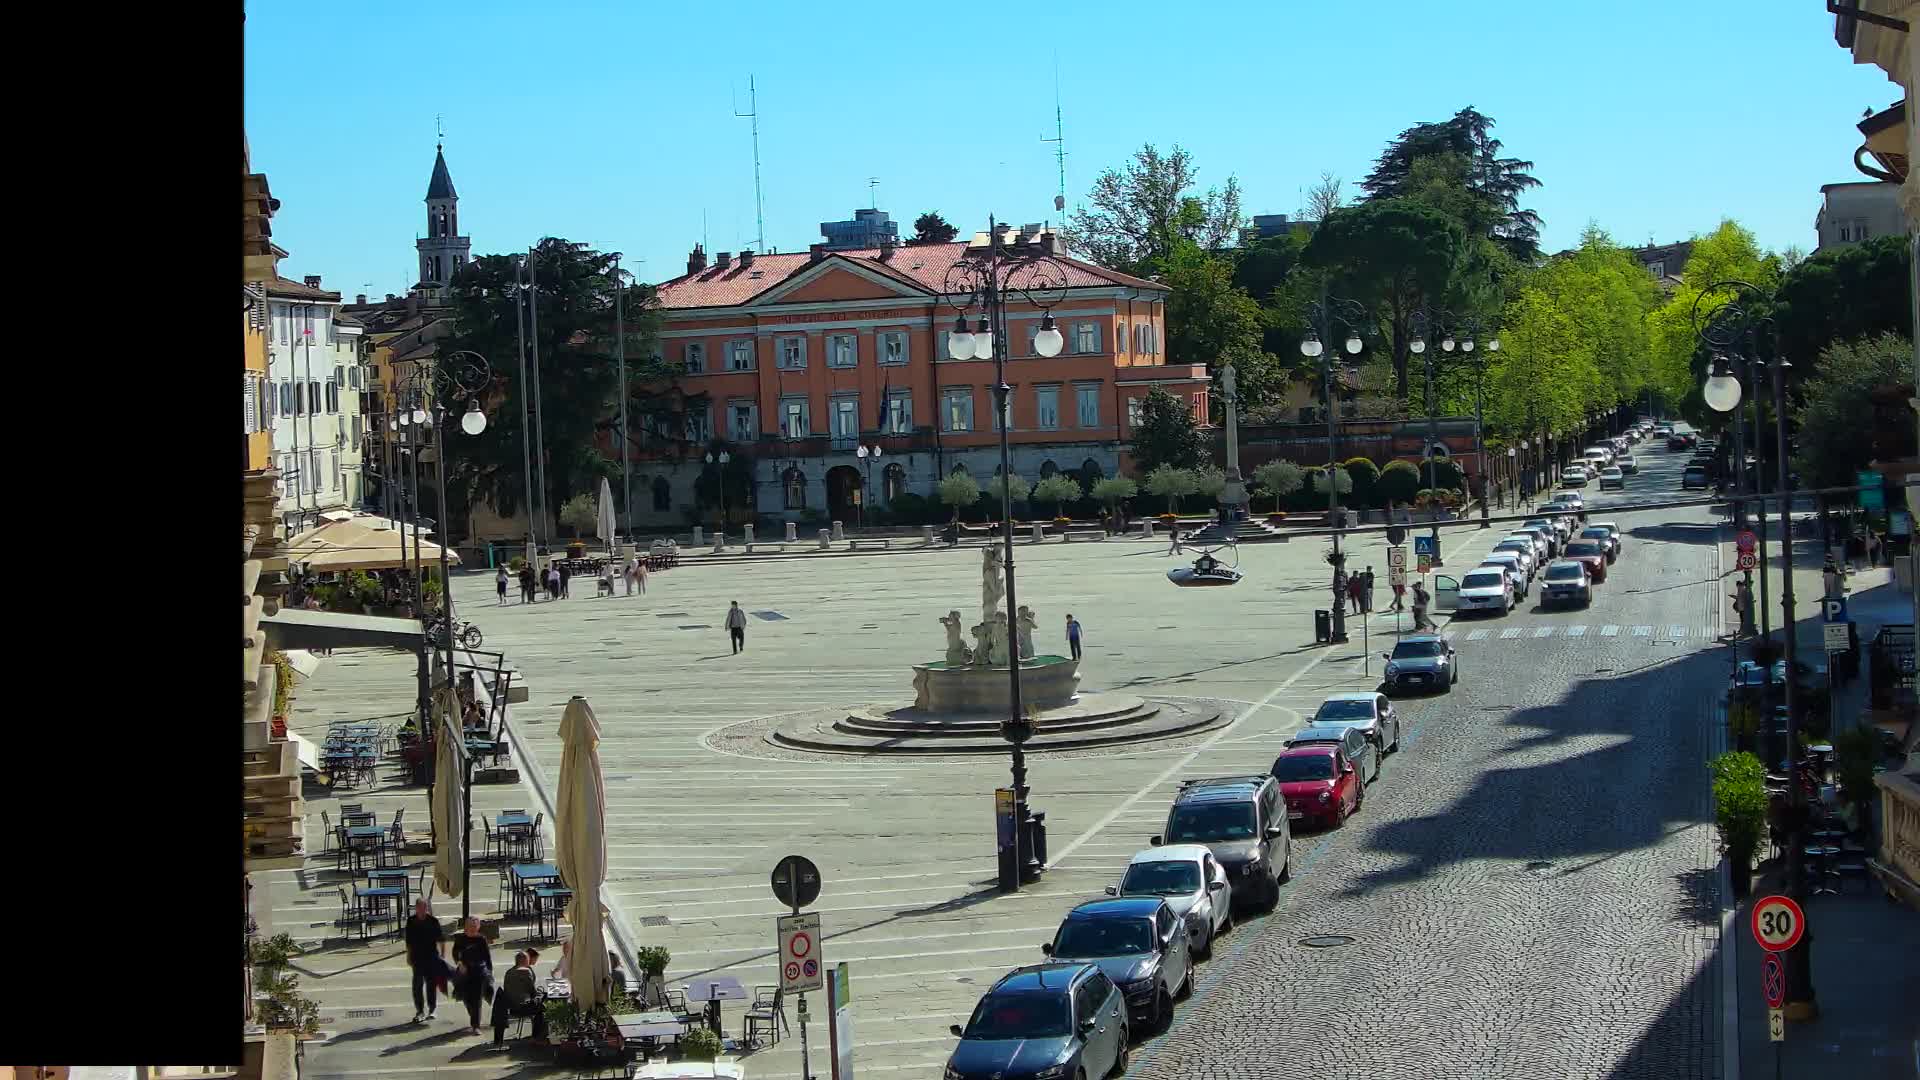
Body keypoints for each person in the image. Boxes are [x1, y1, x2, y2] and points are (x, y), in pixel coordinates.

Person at [491, 951, 546, 1046]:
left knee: (538, 1004)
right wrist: (540, 994)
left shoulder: (508, 972)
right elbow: (532, 991)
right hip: (522, 1007)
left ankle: (536, 1036)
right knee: (542, 1008)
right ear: (525, 961)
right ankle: (537, 1037)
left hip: (510, 1007)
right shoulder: (526, 971)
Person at [451, 915, 493, 1037]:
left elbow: (487, 957)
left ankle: (476, 1026)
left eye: (474, 927)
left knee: (477, 999)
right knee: (466, 997)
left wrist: (490, 972)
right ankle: (473, 1016)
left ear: (478, 927)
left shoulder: (481, 939)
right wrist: (460, 963)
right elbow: (455, 954)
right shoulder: (460, 939)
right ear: (465, 927)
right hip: (464, 971)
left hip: (479, 971)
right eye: (470, 926)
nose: (472, 929)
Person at [405, 899, 446, 1023]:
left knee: (431, 984)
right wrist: (408, 956)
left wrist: (443, 955)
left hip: (431, 957)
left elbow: (441, 939)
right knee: (417, 985)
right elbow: (408, 942)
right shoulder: (411, 921)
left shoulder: (433, 921)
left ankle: (432, 1009)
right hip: (417, 957)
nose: (423, 910)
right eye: (420, 907)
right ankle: (420, 1011)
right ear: (416, 908)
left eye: (425, 907)